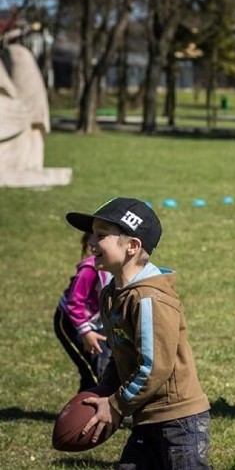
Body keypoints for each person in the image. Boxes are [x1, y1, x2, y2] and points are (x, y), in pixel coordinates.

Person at [66, 197, 211, 468]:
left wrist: (117, 405)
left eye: (102, 236)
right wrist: (103, 390)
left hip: (178, 419)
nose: (92, 242)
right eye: (92, 235)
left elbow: (154, 366)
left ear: (132, 246)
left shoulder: (148, 299)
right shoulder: (112, 294)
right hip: (146, 415)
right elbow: (120, 351)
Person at [54, 232, 113, 393]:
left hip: (96, 322)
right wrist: (86, 332)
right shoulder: (90, 269)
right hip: (71, 322)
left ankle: (81, 414)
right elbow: (74, 303)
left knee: (103, 366)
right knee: (95, 371)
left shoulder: (118, 266)